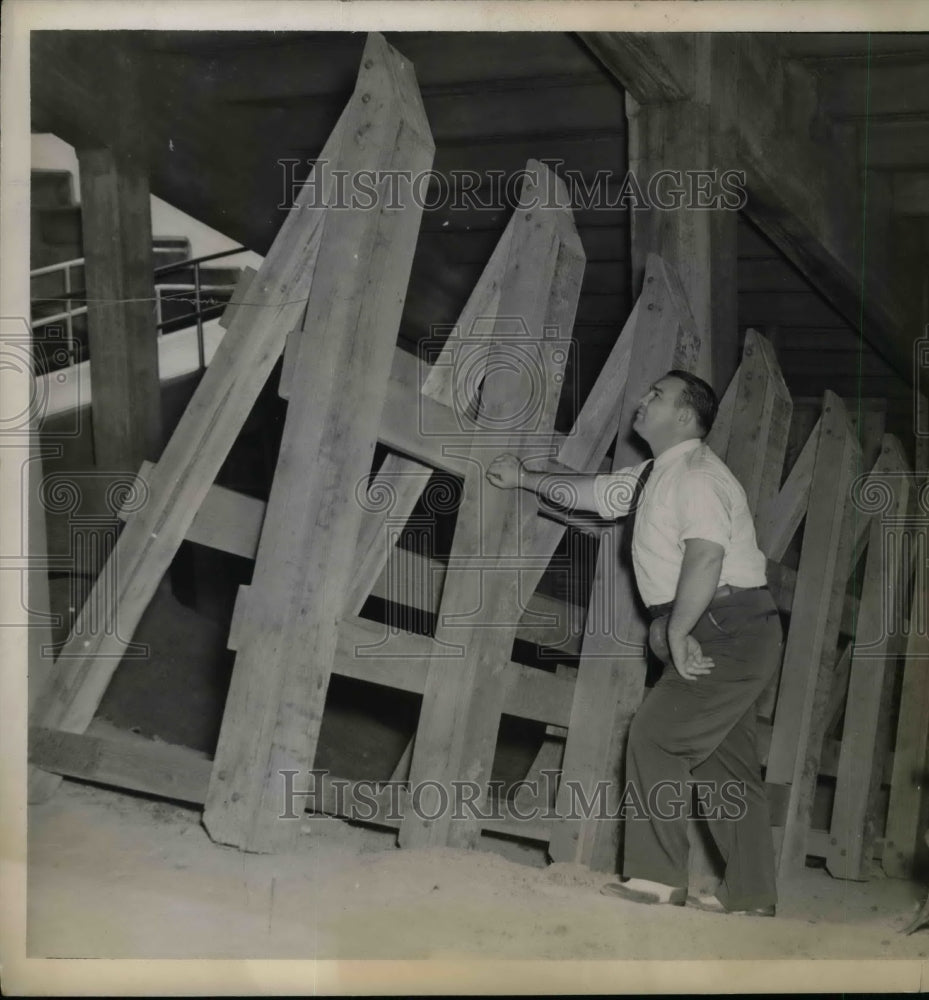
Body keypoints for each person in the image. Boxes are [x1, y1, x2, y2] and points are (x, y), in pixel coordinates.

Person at [485, 369, 783, 917]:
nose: (642, 400)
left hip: (724, 622)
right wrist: (525, 477)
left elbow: (706, 555)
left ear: (686, 417)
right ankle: (753, 898)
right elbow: (594, 493)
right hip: (725, 623)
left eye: (657, 397)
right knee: (725, 764)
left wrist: (677, 629)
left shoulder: (696, 475)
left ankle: (656, 880)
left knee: (655, 738)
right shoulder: (653, 476)